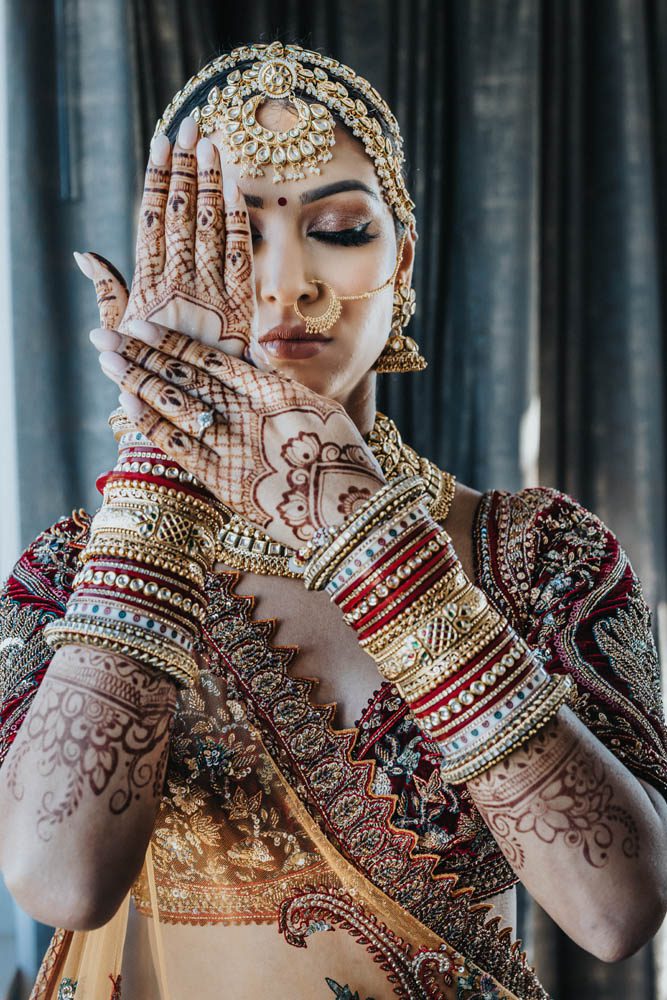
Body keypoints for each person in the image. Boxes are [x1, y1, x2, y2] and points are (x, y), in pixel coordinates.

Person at [1, 40, 666, 1000]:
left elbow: (618, 913)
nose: (285, 283)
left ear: (404, 261)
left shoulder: (535, 553)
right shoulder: (75, 570)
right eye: (230, 234)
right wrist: (163, 469)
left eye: (341, 229)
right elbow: (59, 882)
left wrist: (372, 538)